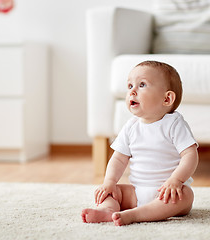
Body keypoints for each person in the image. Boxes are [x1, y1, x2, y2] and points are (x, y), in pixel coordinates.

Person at [81, 60, 199, 226]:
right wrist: (109, 182)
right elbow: (118, 159)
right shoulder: (131, 126)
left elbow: (190, 154)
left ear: (167, 98)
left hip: (167, 193)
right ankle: (107, 210)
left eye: (142, 85)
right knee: (112, 192)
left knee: (186, 196)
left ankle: (135, 215)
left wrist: (176, 180)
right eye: (130, 86)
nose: (132, 91)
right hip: (136, 192)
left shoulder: (174, 123)